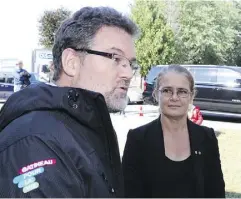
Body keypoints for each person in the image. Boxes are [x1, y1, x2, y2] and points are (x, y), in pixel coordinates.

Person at [0, 6, 139, 197]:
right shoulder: (37, 143)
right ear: (72, 62)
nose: (128, 73)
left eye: (131, 63)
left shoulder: (83, 127)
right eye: (115, 58)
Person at [122, 65, 225, 198]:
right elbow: (128, 193)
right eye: (167, 91)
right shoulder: (138, 139)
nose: (174, 97)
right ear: (156, 94)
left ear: (191, 96)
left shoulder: (206, 138)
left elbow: (216, 192)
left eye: (182, 91)